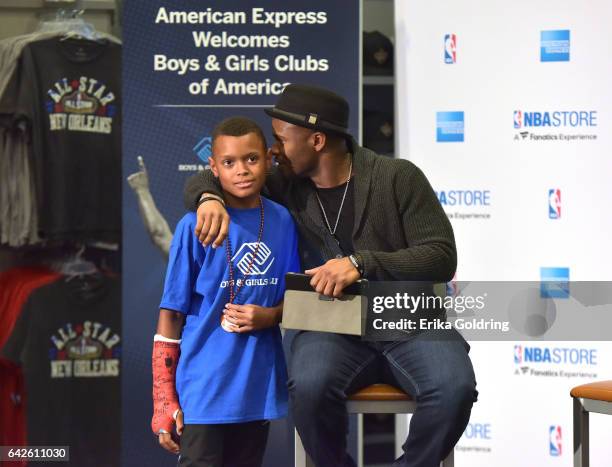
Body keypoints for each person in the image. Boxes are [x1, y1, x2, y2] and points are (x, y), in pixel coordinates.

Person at [183, 84, 477, 467]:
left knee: (454, 386)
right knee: (309, 385)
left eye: (280, 139)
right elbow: (212, 177)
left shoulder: (397, 177)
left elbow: (440, 255)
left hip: (409, 321)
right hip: (330, 326)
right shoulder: (284, 183)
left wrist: (361, 263)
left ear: (317, 140)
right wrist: (208, 198)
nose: (273, 151)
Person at [152, 116, 301, 467]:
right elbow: (171, 313)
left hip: (256, 387)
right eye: (229, 162)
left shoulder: (282, 220)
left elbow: (297, 295)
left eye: (251, 159)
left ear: (267, 159)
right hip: (203, 388)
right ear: (213, 168)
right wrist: (163, 398)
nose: (242, 171)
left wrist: (271, 316)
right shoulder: (194, 226)